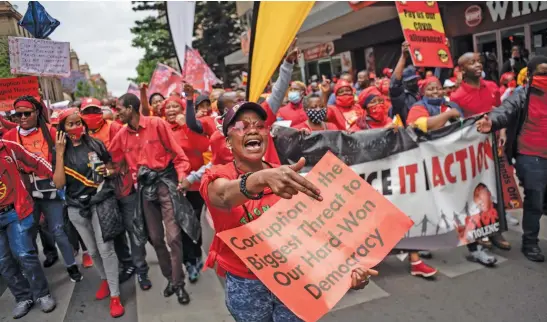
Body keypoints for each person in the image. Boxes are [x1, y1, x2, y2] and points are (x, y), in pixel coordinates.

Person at [200, 102, 377, 321]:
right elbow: (224, 196)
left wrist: (346, 269)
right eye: (242, 126)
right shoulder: (217, 177)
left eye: (259, 125)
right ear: (228, 142)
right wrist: (262, 178)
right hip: (246, 284)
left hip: (293, 280)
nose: (253, 130)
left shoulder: (287, 175)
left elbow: (313, 234)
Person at [109, 93, 198, 305]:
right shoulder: (121, 134)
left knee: (173, 237)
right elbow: (111, 159)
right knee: (156, 239)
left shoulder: (157, 124)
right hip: (144, 190)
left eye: (119, 108)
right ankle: (170, 278)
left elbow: (180, 156)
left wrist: (183, 177)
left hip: (166, 185)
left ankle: (179, 284)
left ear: (130, 108)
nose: (117, 112)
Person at [52, 108, 125, 318]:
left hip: (99, 202)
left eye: (79, 123)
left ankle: (115, 295)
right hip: (75, 207)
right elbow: (58, 183)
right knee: (92, 252)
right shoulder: (59, 149)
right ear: (62, 128)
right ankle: (104, 279)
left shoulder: (95, 144)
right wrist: (58, 152)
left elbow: (112, 168)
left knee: (106, 249)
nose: (77, 127)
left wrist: (107, 171)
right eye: (71, 124)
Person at [476, 55, 547, 262]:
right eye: (542, 73)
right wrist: (493, 122)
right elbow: (504, 111)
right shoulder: (521, 95)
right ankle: (530, 243)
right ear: (531, 75)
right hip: (530, 154)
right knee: (535, 198)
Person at [4, 96, 82, 282]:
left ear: (37, 112)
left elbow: (67, 155)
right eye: (18, 114)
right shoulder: (10, 137)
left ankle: (71, 265)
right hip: (24, 191)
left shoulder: (51, 131)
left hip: (50, 188)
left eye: (27, 113)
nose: (22, 117)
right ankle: (33, 274)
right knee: (28, 232)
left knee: (57, 230)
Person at [80, 98, 151, 289]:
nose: (91, 115)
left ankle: (141, 270)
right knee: (115, 232)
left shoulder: (115, 128)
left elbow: (122, 155)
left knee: (133, 229)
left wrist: (110, 168)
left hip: (125, 188)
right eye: (87, 111)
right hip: (103, 194)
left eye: (95, 110)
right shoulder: (81, 136)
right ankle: (127, 265)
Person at [450, 52, 510, 265]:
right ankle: (474, 239)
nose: (477, 65)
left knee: (496, 192)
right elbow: (456, 127)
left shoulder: (493, 87)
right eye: (471, 62)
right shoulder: (456, 97)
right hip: (471, 154)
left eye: (479, 62)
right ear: (462, 69)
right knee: (475, 195)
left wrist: (501, 131)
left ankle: (495, 232)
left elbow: (499, 113)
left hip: (493, 147)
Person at [0, 138, 57, 319]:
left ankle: (42, 294)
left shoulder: (9, 147)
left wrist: (57, 176)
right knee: (3, 261)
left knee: (24, 253)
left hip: (15, 212)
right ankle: (23, 297)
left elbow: (35, 161)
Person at [163, 92, 211, 283]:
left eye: (176, 106)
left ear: (182, 109)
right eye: (168, 107)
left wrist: (186, 126)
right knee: (179, 226)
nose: (172, 110)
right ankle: (188, 261)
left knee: (193, 224)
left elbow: (203, 146)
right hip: (174, 185)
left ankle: (196, 256)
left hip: (195, 184)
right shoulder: (163, 129)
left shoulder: (191, 127)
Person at [390, 42, 420, 126]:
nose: (413, 83)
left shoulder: (421, 92)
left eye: (414, 80)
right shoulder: (401, 98)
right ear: (403, 82)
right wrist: (403, 57)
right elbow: (394, 85)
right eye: (409, 81)